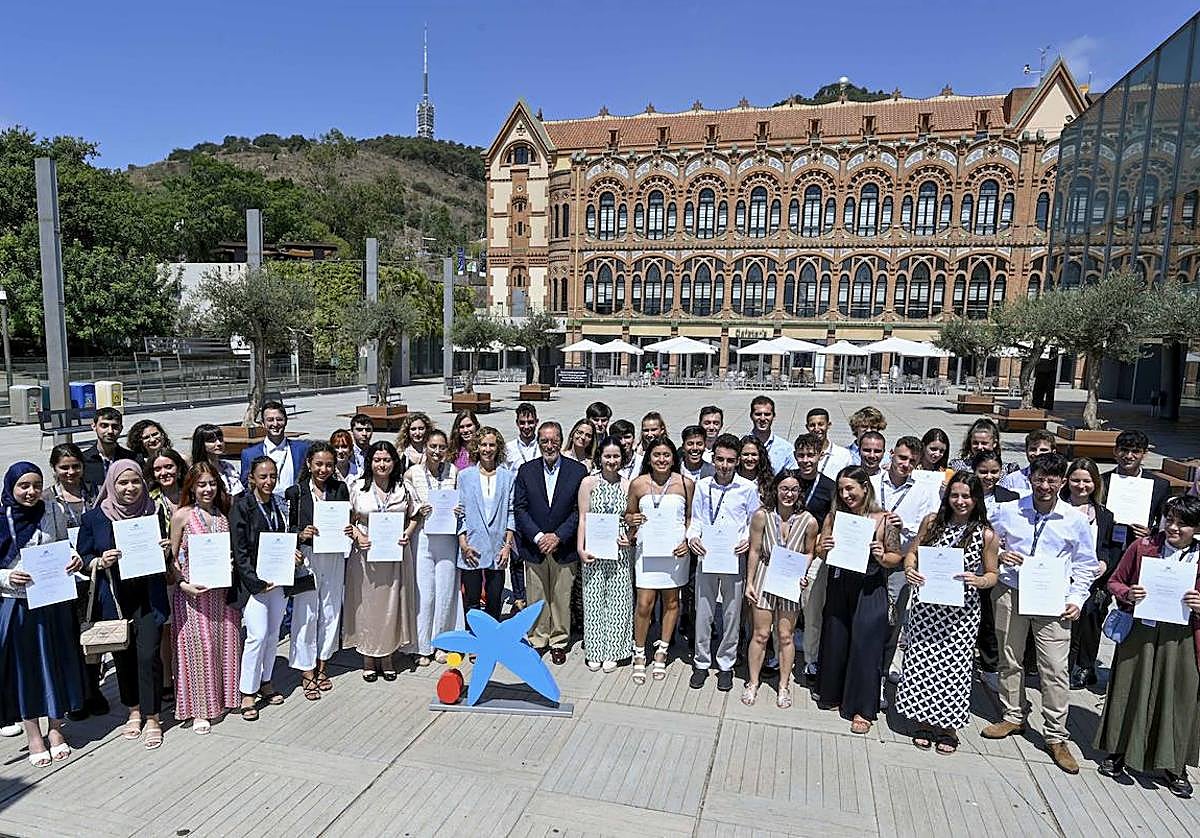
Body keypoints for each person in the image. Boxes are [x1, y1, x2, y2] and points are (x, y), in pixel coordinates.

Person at [982, 452, 1099, 775]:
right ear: (1030, 478)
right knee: (1010, 657)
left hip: (1052, 600)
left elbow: (1085, 565)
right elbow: (988, 543)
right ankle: (1012, 715)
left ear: (1062, 482)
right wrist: (1002, 554)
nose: (1045, 486)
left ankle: (1056, 735)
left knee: (1054, 668)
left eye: (1052, 480)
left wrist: (1077, 597)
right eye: (1039, 479)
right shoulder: (1008, 510)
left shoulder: (1074, 519)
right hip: (1011, 591)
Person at [1096, 495, 1200, 797]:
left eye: (1183, 524)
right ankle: (1118, 751)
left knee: (1178, 697)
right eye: (1170, 520)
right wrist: (1129, 593)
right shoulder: (1143, 547)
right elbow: (1115, 581)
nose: (1174, 528)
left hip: (1183, 638)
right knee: (1130, 689)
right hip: (1141, 630)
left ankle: (1174, 764)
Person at [896, 473, 999, 754]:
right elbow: (912, 554)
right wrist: (909, 570)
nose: (960, 501)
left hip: (961, 613)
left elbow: (993, 574)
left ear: (976, 499)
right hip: (926, 607)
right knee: (923, 663)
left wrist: (980, 581)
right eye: (955, 495)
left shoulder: (986, 534)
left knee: (954, 669)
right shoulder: (932, 522)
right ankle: (923, 720)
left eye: (966, 496)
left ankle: (947, 726)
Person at [77, 460, 171, 748]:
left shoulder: (152, 513)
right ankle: (133, 710)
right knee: (123, 657)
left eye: (135, 482)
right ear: (111, 484)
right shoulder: (95, 518)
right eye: (122, 482)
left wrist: (166, 551)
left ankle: (153, 716)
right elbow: (83, 557)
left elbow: (163, 553)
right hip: (116, 599)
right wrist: (99, 561)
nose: (130, 488)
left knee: (148, 657)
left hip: (148, 597)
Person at [0, 462, 87, 766]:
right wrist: (6, 577)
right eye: (24, 485)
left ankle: (55, 729)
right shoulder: (2, 520)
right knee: (27, 671)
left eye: (36, 485)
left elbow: (65, 546)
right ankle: (33, 734)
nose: (31, 491)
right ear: (10, 487)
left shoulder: (54, 511)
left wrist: (75, 561)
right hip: (18, 606)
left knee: (56, 662)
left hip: (53, 601)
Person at [813, 466, 902, 734]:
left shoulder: (883, 519)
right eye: (841, 489)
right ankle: (833, 692)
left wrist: (880, 555)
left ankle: (863, 708)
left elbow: (895, 556)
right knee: (836, 639)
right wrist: (824, 547)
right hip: (841, 583)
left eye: (850, 488)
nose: (845, 494)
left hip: (870, 586)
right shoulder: (834, 516)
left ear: (865, 487)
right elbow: (819, 550)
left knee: (865, 646)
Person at [168, 462, 239, 734]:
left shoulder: (223, 515)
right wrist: (182, 584)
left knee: (225, 645)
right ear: (191, 488)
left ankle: (223, 699)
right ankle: (199, 709)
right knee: (199, 649)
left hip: (221, 593)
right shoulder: (182, 516)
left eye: (212, 484)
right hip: (193, 595)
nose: (207, 489)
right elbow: (172, 560)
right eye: (202, 484)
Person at [688, 433, 759, 692]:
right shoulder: (703, 485)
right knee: (704, 611)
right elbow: (695, 518)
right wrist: (692, 536)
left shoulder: (748, 489)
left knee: (731, 612)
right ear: (713, 458)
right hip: (707, 554)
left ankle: (726, 663)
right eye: (719, 460)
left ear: (738, 460)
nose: (724, 465)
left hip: (733, 556)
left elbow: (754, 522)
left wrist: (748, 540)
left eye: (730, 460)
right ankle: (701, 661)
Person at [743, 469, 817, 707]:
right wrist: (750, 582)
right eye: (784, 488)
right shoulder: (762, 516)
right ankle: (752, 682)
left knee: (786, 636)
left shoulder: (808, 521)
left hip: (789, 583)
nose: (789, 494)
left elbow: (809, 552)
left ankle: (783, 685)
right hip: (765, 576)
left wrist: (802, 573)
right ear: (775, 489)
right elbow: (754, 550)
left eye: (794, 489)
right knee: (761, 634)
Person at [514, 422, 587, 664]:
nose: (549, 445)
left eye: (554, 440)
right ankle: (537, 638)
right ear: (538, 442)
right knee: (537, 595)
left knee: (560, 596)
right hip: (534, 547)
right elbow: (520, 508)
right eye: (544, 440)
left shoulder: (577, 471)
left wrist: (558, 536)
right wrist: (538, 537)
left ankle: (558, 640)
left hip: (563, 546)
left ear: (561, 440)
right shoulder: (526, 471)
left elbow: (579, 511)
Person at [284, 442, 353, 699]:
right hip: (308, 557)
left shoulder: (340, 488)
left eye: (329, 464)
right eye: (319, 464)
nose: (324, 469)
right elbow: (287, 527)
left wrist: (348, 529)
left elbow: (346, 519)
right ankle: (306, 670)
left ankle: (323, 664)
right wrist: (300, 533)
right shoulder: (296, 492)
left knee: (331, 609)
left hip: (333, 554)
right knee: (306, 612)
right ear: (309, 464)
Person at [873, 436, 943, 686]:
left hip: (901, 562)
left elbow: (932, 525)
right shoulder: (871, 482)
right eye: (902, 458)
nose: (906, 464)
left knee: (893, 623)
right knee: (868, 622)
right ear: (892, 454)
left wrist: (907, 526)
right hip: (868, 562)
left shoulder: (924, 491)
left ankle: (881, 675)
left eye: (912, 461)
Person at [345, 440, 417, 675]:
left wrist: (407, 532)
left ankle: (387, 658)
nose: (382, 464)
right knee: (367, 605)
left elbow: (415, 514)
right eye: (377, 460)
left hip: (395, 553)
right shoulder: (357, 487)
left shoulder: (403, 487)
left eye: (386, 460)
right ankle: (367, 657)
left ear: (394, 462)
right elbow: (347, 519)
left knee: (391, 605)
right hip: (366, 555)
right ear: (370, 462)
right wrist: (357, 535)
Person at [626, 437, 693, 683]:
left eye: (666, 455)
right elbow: (629, 512)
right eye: (657, 455)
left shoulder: (685, 483)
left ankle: (662, 651)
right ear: (649, 458)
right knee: (644, 603)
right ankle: (640, 652)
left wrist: (687, 539)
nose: (662, 459)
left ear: (673, 458)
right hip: (647, 552)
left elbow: (690, 517)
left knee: (672, 602)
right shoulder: (638, 484)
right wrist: (631, 520)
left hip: (675, 552)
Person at [229, 456, 292, 720]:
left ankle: (266, 681)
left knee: (273, 633)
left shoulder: (279, 503)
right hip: (255, 583)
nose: (269, 481)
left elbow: (286, 535)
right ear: (252, 478)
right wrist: (255, 582)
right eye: (263, 476)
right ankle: (247, 692)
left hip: (278, 579)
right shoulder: (242, 506)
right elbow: (239, 551)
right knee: (256, 635)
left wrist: (293, 552)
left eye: (273, 476)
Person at [575, 435, 635, 672]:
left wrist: (629, 538)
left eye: (616, 456)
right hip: (593, 549)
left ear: (622, 458)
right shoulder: (588, 483)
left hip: (619, 550)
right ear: (600, 457)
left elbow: (633, 520)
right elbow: (582, 518)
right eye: (607, 456)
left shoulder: (628, 485)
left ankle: (614, 650)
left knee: (618, 599)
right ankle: (595, 649)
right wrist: (580, 548)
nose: (611, 460)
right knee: (594, 598)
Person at [406, 429, 465, 664]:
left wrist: (459, 509)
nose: (437, 451)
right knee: (425, 594)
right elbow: (407, 502)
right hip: (422, 539)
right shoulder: (412, 473)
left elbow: (461, 499)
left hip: (447, 539)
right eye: (433, 446)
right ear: (426, 447)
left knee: (445, 592)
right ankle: (422, 646)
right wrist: (417, 510)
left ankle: (442, 643)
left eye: (441, 447)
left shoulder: (455, 472)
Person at [1062, 457, 1119, 689]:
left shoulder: (1104, 514)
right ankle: (1061, 664)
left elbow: (1111, 545)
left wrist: (1105, 563)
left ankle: (1085, 665)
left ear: (1095, 483)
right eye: (1076, 480)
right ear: (1067, 481)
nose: (1081, 485)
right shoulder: (1058, 508)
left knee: (1092, 613)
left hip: (1094, 579)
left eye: (1087, 481)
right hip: (1063, 575)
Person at [793, 432, 839, 677]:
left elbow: (832, 520)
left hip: (815, 557)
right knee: (784, 609)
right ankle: (781, 654)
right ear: (795, 456)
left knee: (811, 609)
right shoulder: (788, 479)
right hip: (787, 554)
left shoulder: (830, 486)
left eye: (811, 455)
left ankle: (811, 659)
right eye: (801, 455)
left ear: (820, 456)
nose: (806, 460)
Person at [458, 427, 515, 621]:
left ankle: (492, 642)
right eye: (483, 444)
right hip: (472, 547)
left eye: (492, 445)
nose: (487, 449)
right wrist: (463, 545)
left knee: (494, 599)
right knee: (472, 600)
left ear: (498, 447)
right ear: (476, 447)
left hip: (497, 548)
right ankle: (474, 641)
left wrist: (507, 547)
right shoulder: (465, 476)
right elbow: (461, 513)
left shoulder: (507, 477)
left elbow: (511, 512)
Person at [145, 447, 188, 700]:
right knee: (166, 627)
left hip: (193, 571)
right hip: (163, 574)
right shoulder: (149, 501)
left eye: (168, 466)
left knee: (187, 626)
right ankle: (167, 680)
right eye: (158, 468)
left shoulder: (191, 495)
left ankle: (186, 675)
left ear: (178, 467)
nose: (164, 472)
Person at [972, 449, 1019, 677]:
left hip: (998, 565)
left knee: (991, 619)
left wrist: (1000, 552)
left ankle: (990, 665)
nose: (989, 477)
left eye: (994, 472)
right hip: (970, 563)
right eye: (983, 472)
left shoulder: (1010, 497)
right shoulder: (966, 493)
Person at [1101, 429, 1171, 555]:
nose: (1128, 456)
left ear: (1144, 454)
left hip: (1140, 547)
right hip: (1105, 548)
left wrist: (1151, 533)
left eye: (1135, 451)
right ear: (1115, 451)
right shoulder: (1101, 481)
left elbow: (1164, 521)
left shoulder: (1160, 485)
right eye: (1124, 450)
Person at [238, 401, 309, 493]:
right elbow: (246, 486)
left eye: (279, 419)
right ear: (263, 423)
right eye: (270, 420)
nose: (275, 424)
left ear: (286, 421)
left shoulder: (302, 449)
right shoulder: (249, 454)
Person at [81, 407, 134, 488]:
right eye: (104, 426)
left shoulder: (132, 459)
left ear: (121, 428)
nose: (110, 431)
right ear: (94, 427)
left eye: (115, 426)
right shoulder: (82, 460)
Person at [998, 429, 1057, 497]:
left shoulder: (1058, 480)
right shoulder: (1012, 480)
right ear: (1026, 451)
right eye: (1033, 449)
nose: (1037, 454)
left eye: (1043, 450)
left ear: (1053, 452)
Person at [190, 424, 243, 498]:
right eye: (212, 441)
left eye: (220, 439)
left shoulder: (228, 467)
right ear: (201, 444)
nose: (219, 444)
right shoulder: (196, 471)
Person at [948, 418, 1018, 474]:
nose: (979, 447)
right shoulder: (957, 467)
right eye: (975, 443)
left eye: (984, 443)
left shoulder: (1007, 471)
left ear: (994, 443)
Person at [749, 396, 796, 473]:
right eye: (758, 414)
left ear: (773, 416)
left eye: (767, 414)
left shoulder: (787, 449)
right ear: (751, 416)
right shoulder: (741, 446)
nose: (763, 419)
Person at [806, 408, 853, 481]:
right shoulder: (802, 455)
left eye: (820, 424)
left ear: (829, 425)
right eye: (812, 425)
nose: (816, 429)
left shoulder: (843, 455)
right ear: (807, 427)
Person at [737, 435, 775, 504]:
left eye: (754, 454)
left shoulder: (769, 482)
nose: (749, 459)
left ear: (760, 457)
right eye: (745, 454)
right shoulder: (732, 480)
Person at [506, 403, 540, 470]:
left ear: (536, 422)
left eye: (530, 422)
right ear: (517, 423)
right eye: (522, 423)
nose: (526, 427)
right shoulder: (508, 448)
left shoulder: (543, 446)